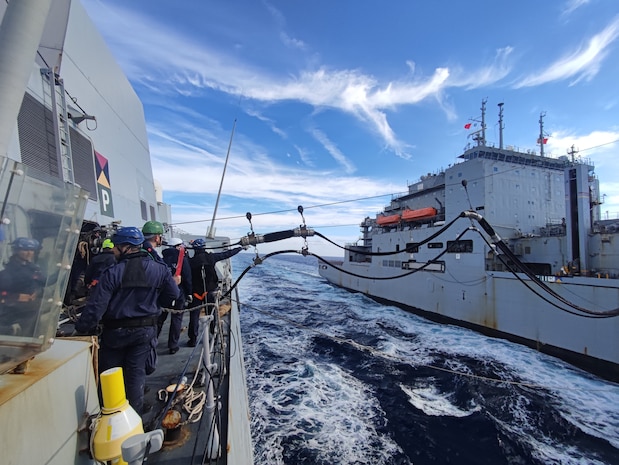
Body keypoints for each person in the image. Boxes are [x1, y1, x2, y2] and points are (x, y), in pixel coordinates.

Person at [74, 226, 180, 415]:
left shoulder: (112, 272)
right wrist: (155, 303)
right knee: (135, 374)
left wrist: (82, 327)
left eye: (115, 246)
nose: (113, 250)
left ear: (125, 247)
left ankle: (113, 416)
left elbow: (97, 306)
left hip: (115, 334)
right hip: (145, 332)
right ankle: (134, 417)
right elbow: (173, 294)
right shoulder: (160, 270)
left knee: (111, 375)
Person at [187, 239, 242, 347]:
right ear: (204, 247)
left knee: (194, 316)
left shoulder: (190, 261)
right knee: (212, 314)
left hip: (196, 293)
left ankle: (193, 340)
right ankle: (215, 335)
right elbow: (226, 254)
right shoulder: (211, 257)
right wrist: (239, 248)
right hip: (210, 292)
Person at [0, 237, 46, 337]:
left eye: (31, 250)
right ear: (16, 250)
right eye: (25, 250)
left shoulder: (34, 268)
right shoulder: (7, 272)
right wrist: (15, 297)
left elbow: (43, 282)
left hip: (31, 311)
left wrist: (37, 293)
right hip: (11, 313)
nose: (29, 253)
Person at [157, 238, 192, 354]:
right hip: (179, 294)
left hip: (164, 294)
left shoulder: (161, 260)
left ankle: (151, 341)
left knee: (160, 319)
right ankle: (173, 345)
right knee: (176, 319)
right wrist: (189, 293)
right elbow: (187, 277)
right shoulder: (182, 260)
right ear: (178, 247)